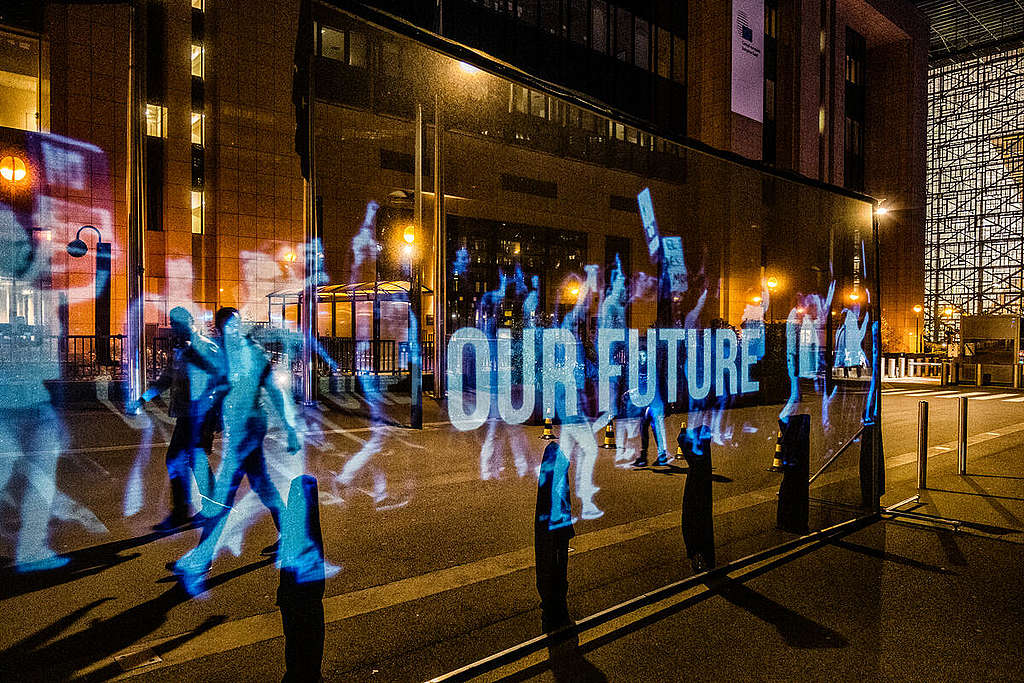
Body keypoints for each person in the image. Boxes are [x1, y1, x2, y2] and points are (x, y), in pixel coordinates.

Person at [172, 307, 300, 595]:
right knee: (263, 486)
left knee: (223, 495)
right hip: (238, 430)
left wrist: (290, 429)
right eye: (224, 326)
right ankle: (290, 535)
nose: (230, 330)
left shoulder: (249, 351)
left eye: (234, 325)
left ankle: (202, 558)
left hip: (250, 429)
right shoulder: (224, 354)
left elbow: (273, 389)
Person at [138, 306, 223, 531]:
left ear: (190, 322)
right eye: (173, 324)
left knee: (180, 458)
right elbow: (166, 379)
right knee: (189, 460)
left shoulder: (205, 347)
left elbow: (218, 380)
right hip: (186, 415)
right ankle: (201, 507)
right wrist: (143, 399)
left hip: (201, 414)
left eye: (178, 324)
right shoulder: (179, 350)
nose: (174, 329)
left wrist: (215, 419)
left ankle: (188, 510)